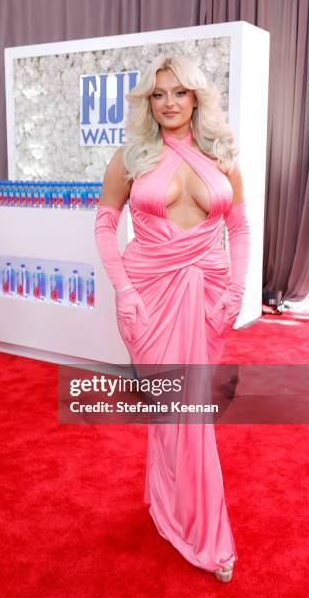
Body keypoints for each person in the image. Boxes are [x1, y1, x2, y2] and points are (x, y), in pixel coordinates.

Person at [94, 55, 250, 583]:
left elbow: (242, 228)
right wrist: (124, 294)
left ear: (197, 98)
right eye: (158, 94)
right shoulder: (132, 157)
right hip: (150, 299)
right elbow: (104, 225)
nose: (168, 103)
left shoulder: (222, 155)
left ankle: (168, 506)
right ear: (147, 102)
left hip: (207, 299)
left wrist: (235, 287)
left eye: (179, 93)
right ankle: (210, 539)